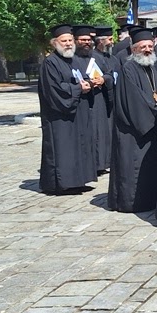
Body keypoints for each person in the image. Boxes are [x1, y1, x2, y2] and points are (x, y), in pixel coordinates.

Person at [38, 24, 97, 194]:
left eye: (70, 40)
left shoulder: (75, 60)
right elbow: (56, 90)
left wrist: (89, 84)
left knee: (80, 146)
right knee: (63, 148)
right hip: (60, 116)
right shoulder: (50, 63)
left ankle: (79, 180)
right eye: (64, 41)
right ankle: (62, 183)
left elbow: (84, 79)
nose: (68, 44)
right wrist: (79, 89)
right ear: (55, 43)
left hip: (78, 112)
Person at [108, 27, 157, 212]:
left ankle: (149, 199)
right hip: (134, 130)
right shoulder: (128, 69)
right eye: (142, 47)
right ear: (133, 49)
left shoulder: (152, 68)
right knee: (133, 168)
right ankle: (131, 202)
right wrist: (156, 113)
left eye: (150, 46)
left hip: (151, 125)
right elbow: (134, 101)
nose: (147, 50)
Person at [71, 25, 114, 175]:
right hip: (82, 101)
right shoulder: (71, 59)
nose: (86, 42)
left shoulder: (97, 58)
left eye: (88, 40)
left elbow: (109, 75)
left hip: (98, 100)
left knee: (100, 133)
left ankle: (101, 163)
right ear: (75, 41)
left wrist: (102, 79)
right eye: (83, 40)